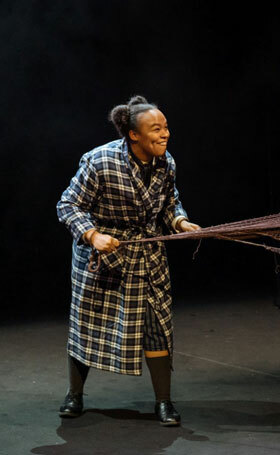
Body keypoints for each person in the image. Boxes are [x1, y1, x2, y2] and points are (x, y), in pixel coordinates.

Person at [56, 95, 200, 426]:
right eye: (155, 128)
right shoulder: (99, 161)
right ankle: (75, 395)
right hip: (103, 257)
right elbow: (68, 205)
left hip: (147, 259)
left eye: (166, 128)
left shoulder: (167, 164)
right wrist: (93, 235)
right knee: (87, 328)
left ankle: (164, 402)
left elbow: (169, 204)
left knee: (157, 328)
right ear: (133, 134)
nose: (165, 134)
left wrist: (180, 221)